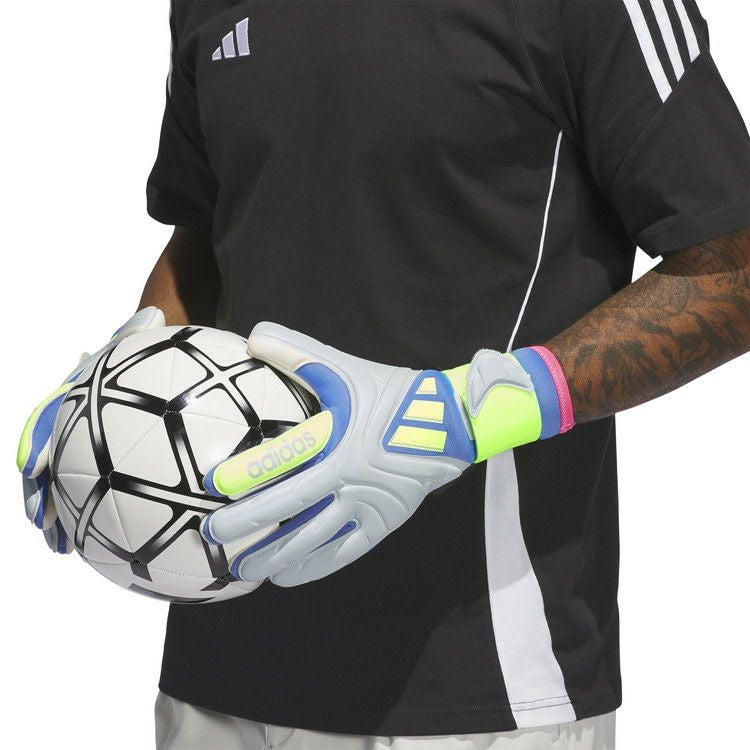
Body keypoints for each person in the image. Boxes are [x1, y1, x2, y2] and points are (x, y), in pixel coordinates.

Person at [18, 2, 750, 748]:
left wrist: (462, 416)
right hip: (218, 654)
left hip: (484, 675)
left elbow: (732, 268)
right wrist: (114, 396)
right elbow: (211, 236)